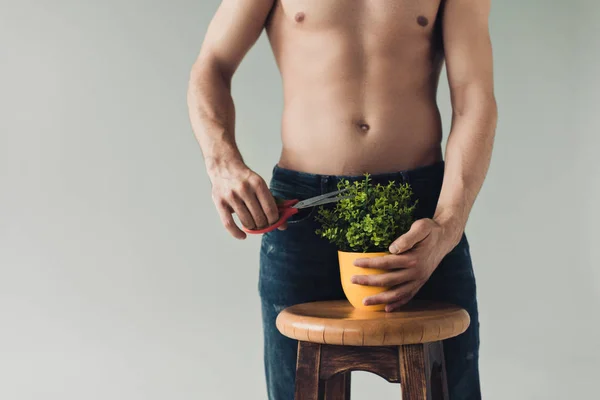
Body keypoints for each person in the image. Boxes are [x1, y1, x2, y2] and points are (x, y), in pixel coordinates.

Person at [187, 0, 497, 398]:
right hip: (303, 210)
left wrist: (449, 224)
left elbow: (474, 96)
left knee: (452, 388)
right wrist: (223, 163)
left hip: (420, 214)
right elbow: (211, 63)